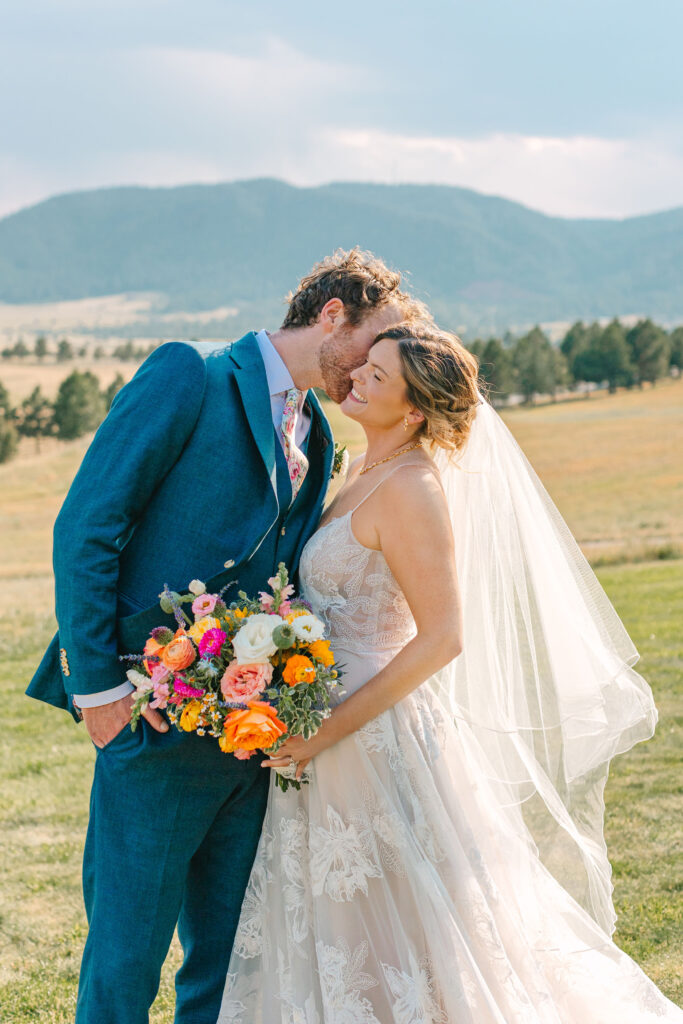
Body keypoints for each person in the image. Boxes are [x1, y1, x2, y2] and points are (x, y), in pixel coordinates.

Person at [218, 323, 682, 1022]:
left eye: (378, 375)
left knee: (420, 926)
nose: (358, 379)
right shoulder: (356, 468)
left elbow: (441, 639)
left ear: (412, 413)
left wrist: (326, 729)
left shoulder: (412, 488)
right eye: (365, 365)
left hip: (375, 732)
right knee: (347, 921)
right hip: (321, 726)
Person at [26, 249, 428, 1024]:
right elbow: (88, 525)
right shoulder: (192, 375)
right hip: (146, 721)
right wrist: (99, 692)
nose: (377, 363)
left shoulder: (318, 433)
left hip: (252, 738)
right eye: (374, 340)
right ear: (332, 314)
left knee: (232, 962)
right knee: (124, 960)